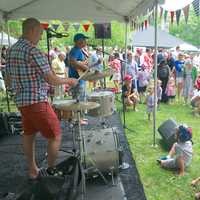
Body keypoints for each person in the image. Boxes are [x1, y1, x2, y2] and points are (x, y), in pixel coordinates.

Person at [5, 18, 77, 179]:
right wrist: (68, 80)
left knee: (29, 134)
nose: (40, 36)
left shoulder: (11, 50)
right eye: (39, 33)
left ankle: (33, 170)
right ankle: (51, 171)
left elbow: (8, 79)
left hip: (21, 102)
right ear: (31, 31)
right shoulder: (33, 51)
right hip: (36, 101)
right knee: (56, 135)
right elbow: (51, 79)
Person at [68, 33, 89, 101]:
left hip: (79, 80)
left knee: (81, 102)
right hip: (77, 81)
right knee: (79, 103)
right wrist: (86, 68)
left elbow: (78, 62)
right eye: (84, 39)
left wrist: (85, 63)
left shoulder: (78, 50)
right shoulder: (75, 50)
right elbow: (73, 62)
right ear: (79, 41)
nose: (85, 41)